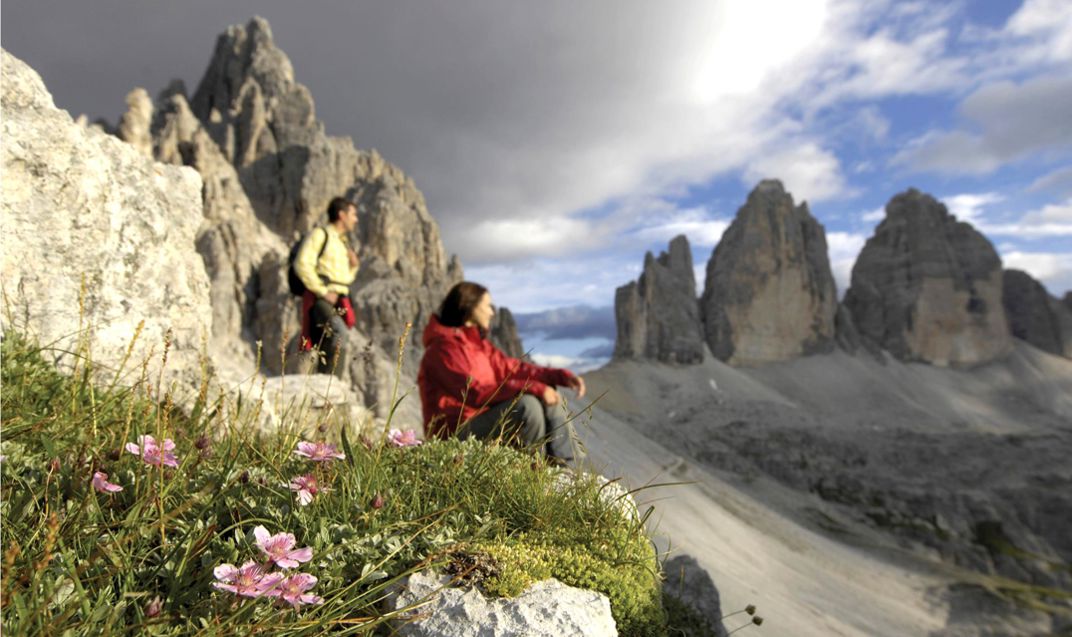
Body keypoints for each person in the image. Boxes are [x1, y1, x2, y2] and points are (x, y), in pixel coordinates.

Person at [418, 281, 587, 466]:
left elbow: (515, 369)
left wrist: (561, 376)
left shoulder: (480, 346)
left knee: (551, 394)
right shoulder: (442, 349)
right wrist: (533, 388)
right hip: (454, 433)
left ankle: (566, 469)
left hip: (483, 421)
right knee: (526, 406)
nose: (492, 312)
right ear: (469, 305)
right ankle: (536, 474)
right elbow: (473, 393)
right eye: (488, 306)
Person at [295, 197, 360, 375]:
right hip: (320, 299)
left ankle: (321, 384)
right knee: (339, 334)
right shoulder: (321, 234)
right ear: (341, 214)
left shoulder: (343, 242)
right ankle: (329, 386)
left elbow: (343, 279)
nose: (356, 219)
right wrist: (322, 291)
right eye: (353, 214)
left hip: (338, 300)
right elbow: (302, 264)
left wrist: (353, 267)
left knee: (326, 342)